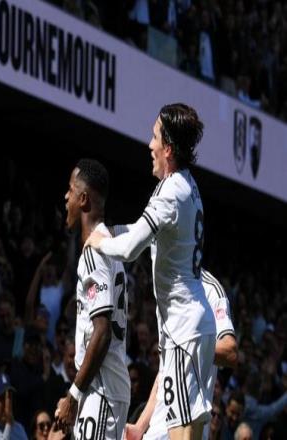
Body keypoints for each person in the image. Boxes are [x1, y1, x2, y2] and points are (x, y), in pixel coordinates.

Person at [86, 104, 216, 439]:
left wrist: (97, 241)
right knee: (183, 431)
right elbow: (140, 231)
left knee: (181, 434)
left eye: (155, 136)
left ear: (168, 148)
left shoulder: (171, 193)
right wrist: (110, 231)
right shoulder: (185, 186)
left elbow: (130, 250)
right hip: (186, 328)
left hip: (185, 328)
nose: (149, 144)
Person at [55, 159, 130, 440]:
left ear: (83, 199)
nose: (66, 197)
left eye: (70, 190)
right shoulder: (108, 245)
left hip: (102, 390)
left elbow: (102, 332)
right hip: (106, 389)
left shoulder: (93, 253)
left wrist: (73, 395)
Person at [125, 269, 238, 439]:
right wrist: (140, 427)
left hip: (189, 426)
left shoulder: (211, 289)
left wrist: (186, 345)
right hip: (157, 428)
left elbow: (230, 351)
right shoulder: (165, 286)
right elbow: (165, 370)